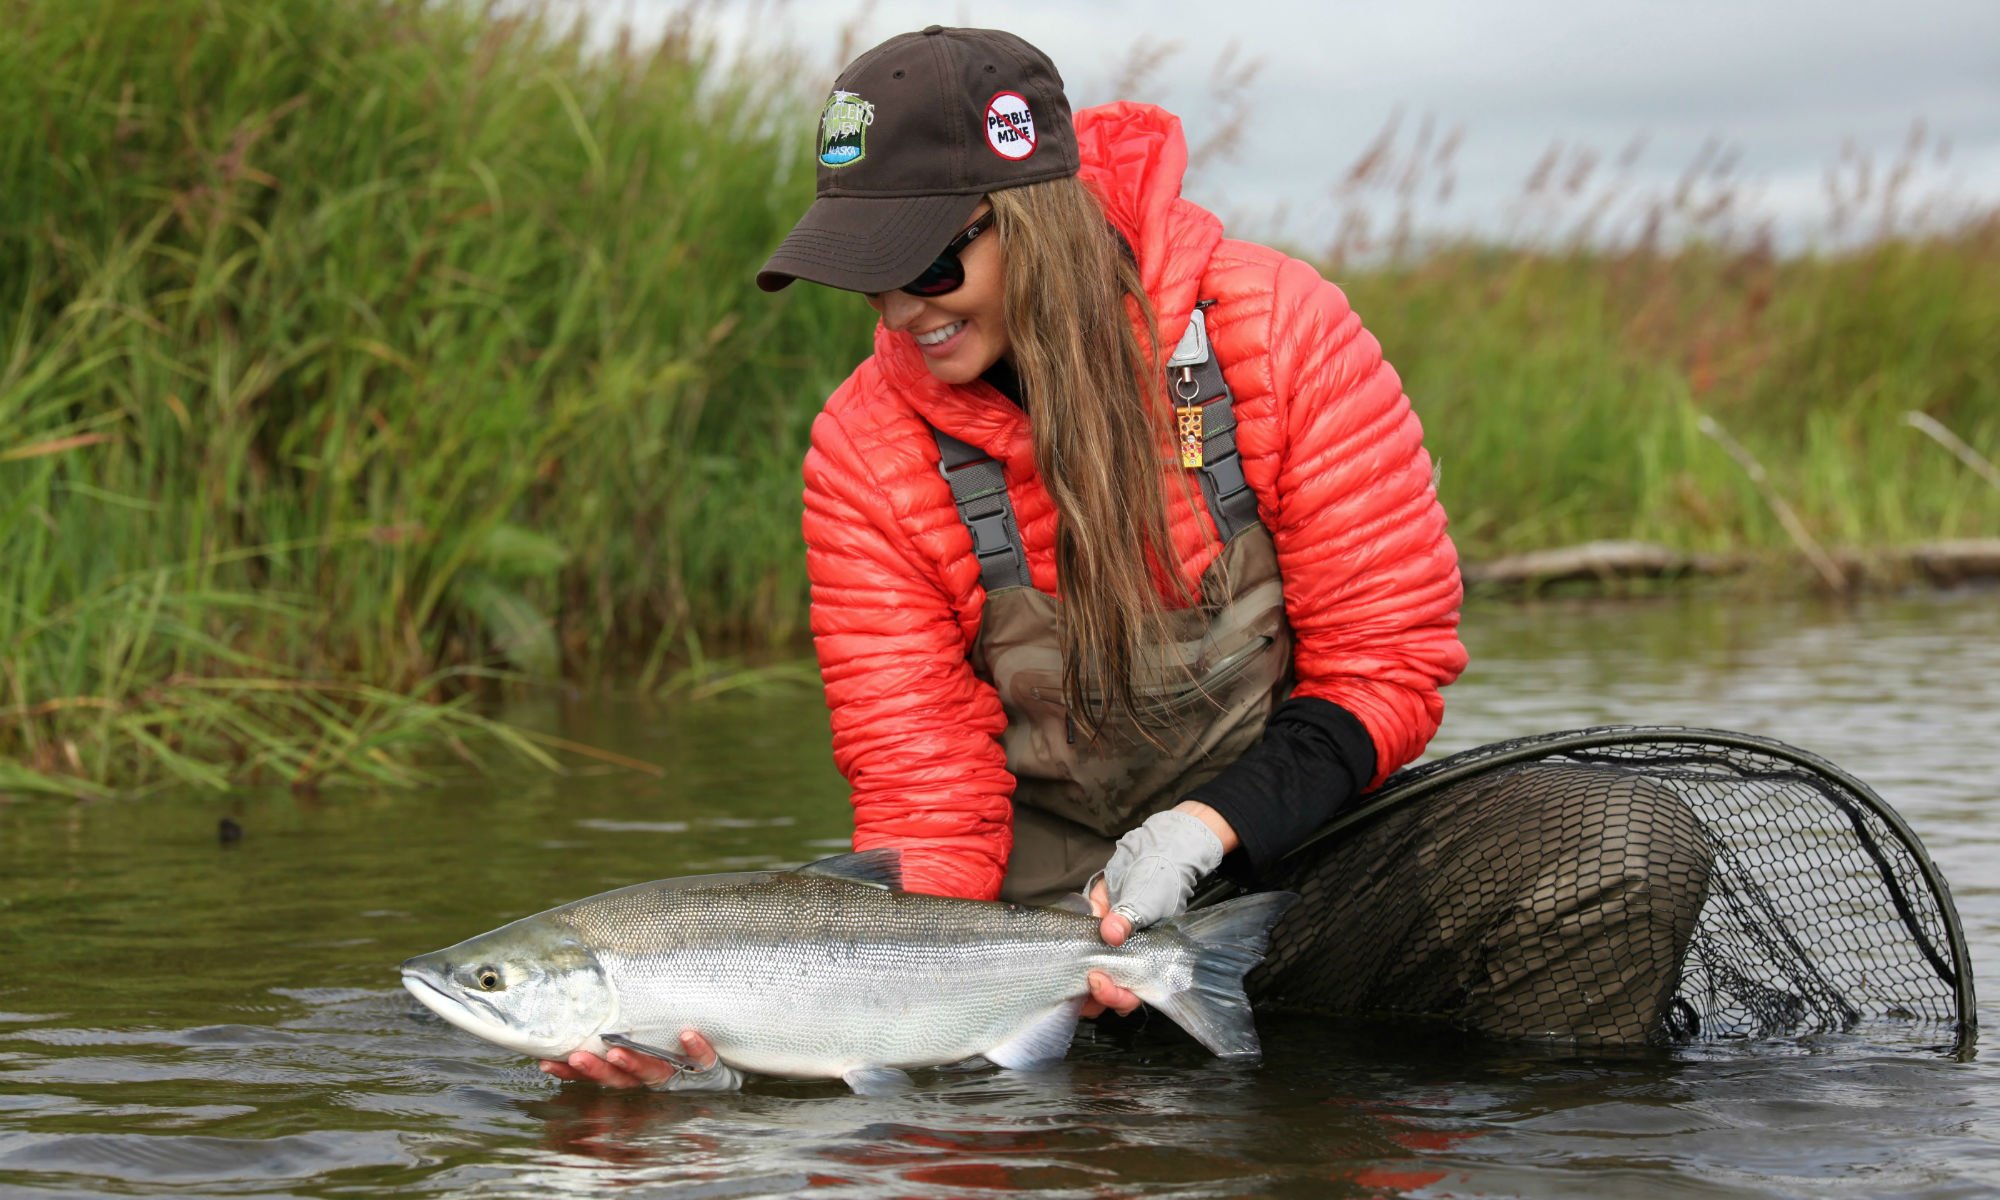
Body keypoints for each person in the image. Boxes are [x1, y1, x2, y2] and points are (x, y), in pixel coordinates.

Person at [546, 25, 1700, 1092]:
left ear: (1033, 218)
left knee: (1614, 848)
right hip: (1032, 926)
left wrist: (1202, 834)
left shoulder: (1281, 330)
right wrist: (797, 1024)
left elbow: (1383, 669)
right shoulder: (862, 449)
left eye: (930, 266)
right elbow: (927, 802)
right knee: (754, 1021)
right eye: (865, 272)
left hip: (1299, 858)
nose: (900, 310)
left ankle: (1521, 1134)